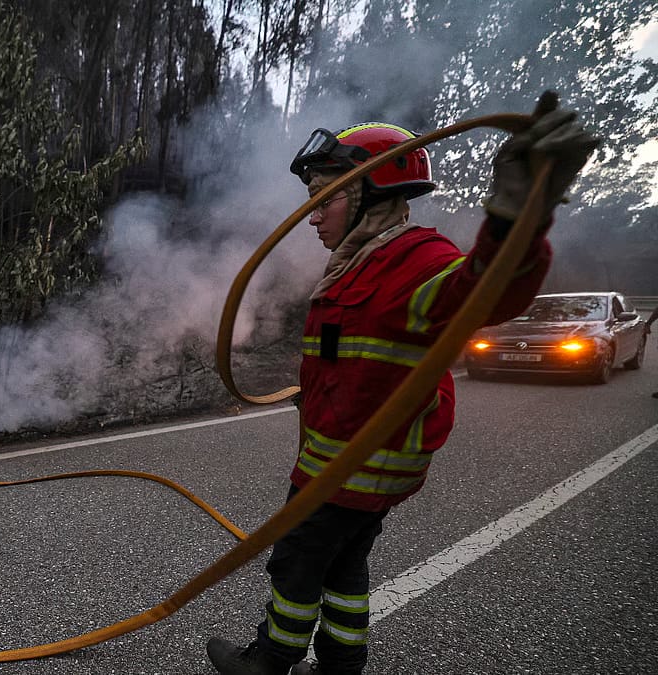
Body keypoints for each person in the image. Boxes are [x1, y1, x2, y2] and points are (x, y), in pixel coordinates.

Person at [207, 95, 600, 675]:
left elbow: (486, 289)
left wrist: (517, 213)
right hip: (344, 458)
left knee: (295, 561)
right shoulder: (359, 263)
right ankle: (343, 662)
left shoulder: (413, 260)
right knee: (344, 567)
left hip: (351, 468)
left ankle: (270, 658)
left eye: (324, 198)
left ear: (371, 193)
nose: (312, 216)